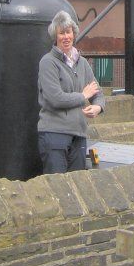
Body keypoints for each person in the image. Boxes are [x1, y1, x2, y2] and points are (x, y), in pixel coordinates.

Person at [37, 10, 105, 174]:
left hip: (79, 134)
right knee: (57, 187)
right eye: (61, 33)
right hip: (55, 134)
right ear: (56, 36)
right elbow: (56, 99)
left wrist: (98, 107)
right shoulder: (48, 62)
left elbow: (98, 93)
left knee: (77, 187)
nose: (65, 37)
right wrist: (83, 96)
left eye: (68, 32)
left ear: (73, 34)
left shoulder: (82, 63)